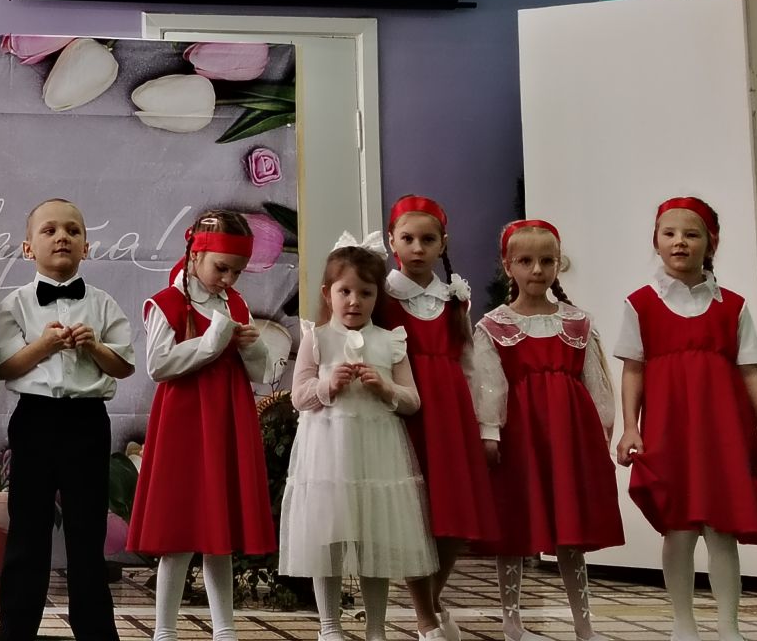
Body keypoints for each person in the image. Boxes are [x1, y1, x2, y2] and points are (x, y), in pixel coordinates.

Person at [614, 197, 757, 641]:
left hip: (724, 433)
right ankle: (682, 624)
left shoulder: (733, 306)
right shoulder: (640, 304)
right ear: (656, 241)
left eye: (692, 234)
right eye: (669, 233)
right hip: (669, 432)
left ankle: (729, 625)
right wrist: (631, 427)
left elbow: (751, 373)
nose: (679, 242)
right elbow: (633, 370)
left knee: (721, 531)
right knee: (679, 531)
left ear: (711, 242)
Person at [126, 208, 276, 641]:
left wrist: (251, 346)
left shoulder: (236, 305)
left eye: (237, 271)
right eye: (221, 268)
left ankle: (224, 628)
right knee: (179, 531)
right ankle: (164, 629)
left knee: (219, 531)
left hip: (227, 420)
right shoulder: (167, 303)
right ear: (195, 255)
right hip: (185, 424)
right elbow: (159, 365)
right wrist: (212, 342)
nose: (228, 279)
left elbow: (259, 370)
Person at [0, 198, 135, 641]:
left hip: (87, 421)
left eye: (73, 231)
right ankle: (16, 630)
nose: (62, 238)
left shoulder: (103, 303)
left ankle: (95, 630)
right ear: (27, 248)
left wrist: (94, 347)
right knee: (28, 530)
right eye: (49, 230)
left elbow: (124, 365)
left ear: (86, 247)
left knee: (86, 531)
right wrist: (45, 345)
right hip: (34, 420)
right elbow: (5, 366)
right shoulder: (14, 303)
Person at [279, 237, 435, 641]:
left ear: (376, 296)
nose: (354, 301)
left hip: (377, 455)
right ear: (327, 294)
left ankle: (376, 629)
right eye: (345, 291)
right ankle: (329, 627)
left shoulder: (390, 340)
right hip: (327, 456)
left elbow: (412, 401)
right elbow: (299, 396)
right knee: (327, 540)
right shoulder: (317, 338)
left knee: (372, 540)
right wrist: (327, 385)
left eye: (365, 292)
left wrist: (385, 388)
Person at [475, 220, 624, 641]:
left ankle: (584, 625)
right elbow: (488, 384)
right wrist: (490, 432)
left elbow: (596, 383)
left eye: (546, 260)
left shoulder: (578, 324)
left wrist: (602, 431)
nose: (537, 270)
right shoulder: (494, 326)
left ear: (559, 264)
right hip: (522, 438)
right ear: (508, 266)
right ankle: (511, 622)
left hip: (569, 437)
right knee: (515, 524)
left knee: (569, 527)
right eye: (525, 261)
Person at [379, 195, 496, 641]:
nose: (417, 248)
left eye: (428, 240)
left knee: (453, 515)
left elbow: (470, 364)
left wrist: (484, 424)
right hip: (406, 410)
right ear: (392, 241)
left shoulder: (453, 299)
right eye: (408, 238)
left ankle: (432, 600)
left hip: (451, 415)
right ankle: (425, 615)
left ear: (443, 243)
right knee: (416, 513)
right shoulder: (382, 295)